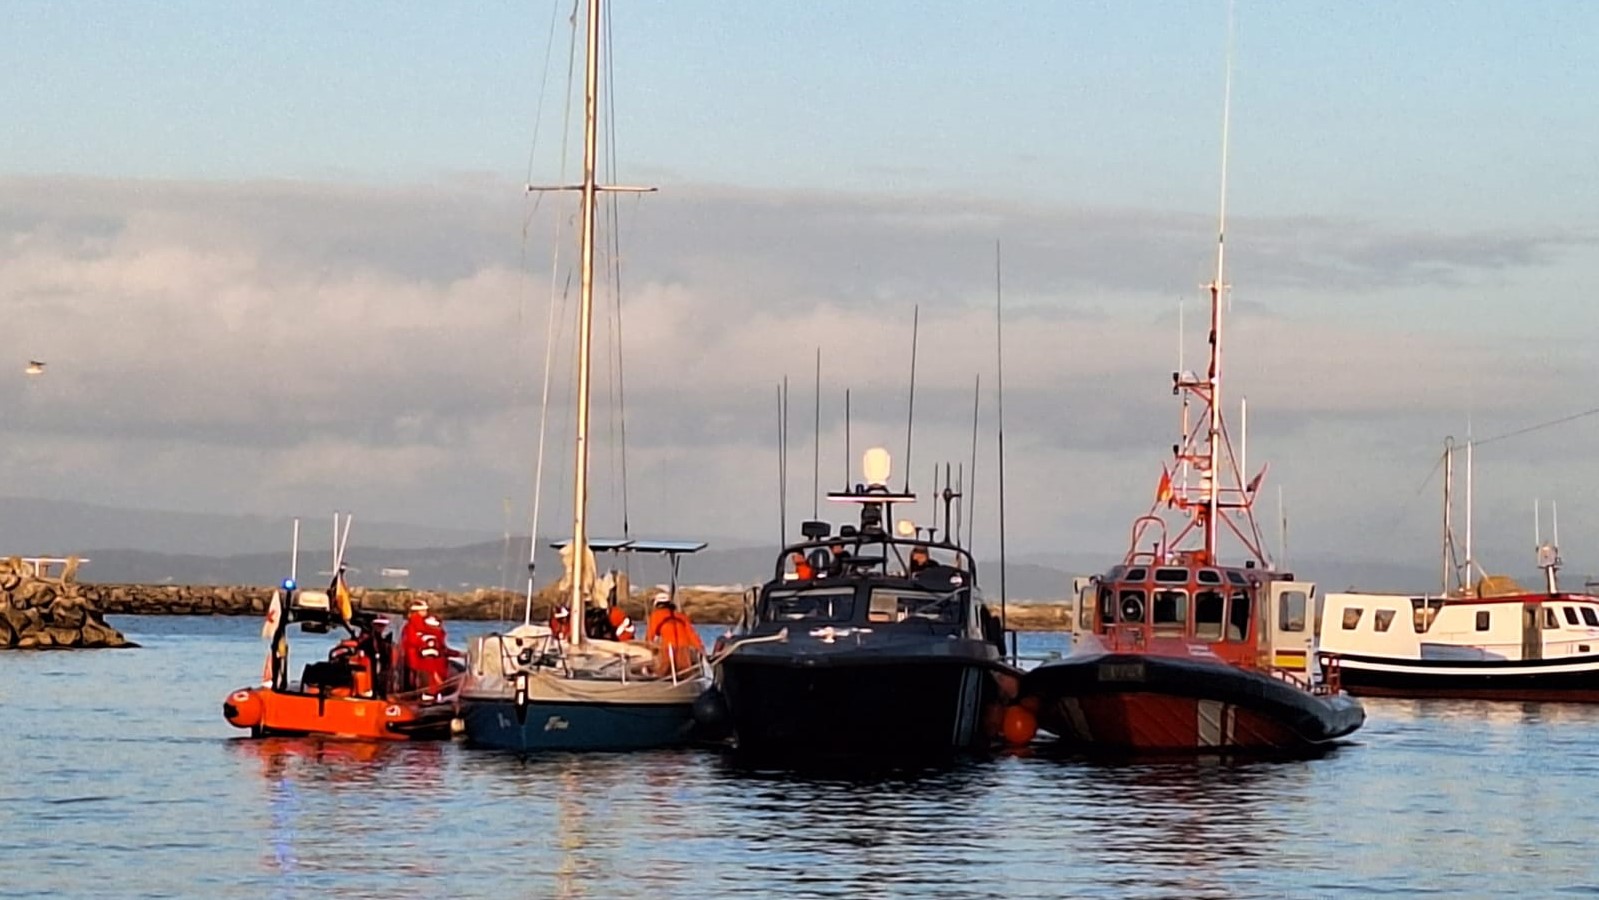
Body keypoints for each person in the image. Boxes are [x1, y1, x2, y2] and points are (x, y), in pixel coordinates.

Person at [401, 599, 459, 700]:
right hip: (422, 661)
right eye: (424, 610)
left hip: (419, 660)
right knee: (430, 679)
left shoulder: (412, 626)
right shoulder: (416, 627)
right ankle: (430, 696)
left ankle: (430, 695)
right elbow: (418, 644)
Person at [648, 598, 704, 677]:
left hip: (667, 649)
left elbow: (650, 636)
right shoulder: (681, 616)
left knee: (663, 672)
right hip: (684, 649)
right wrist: (701, 649)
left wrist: (649, 649)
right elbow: (692, 635)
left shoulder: (655, 615)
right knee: (684, 672)